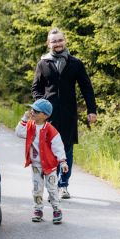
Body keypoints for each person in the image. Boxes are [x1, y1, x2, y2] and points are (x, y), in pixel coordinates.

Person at [31, 27, 97, 199]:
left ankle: (63, 185)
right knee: (50, 149)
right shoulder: (43, 63)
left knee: (66, 148)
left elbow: (86, 87)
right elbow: (36, 88)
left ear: (65, 41)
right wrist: (42, 105)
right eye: (54, 41)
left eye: (60, 40)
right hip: (48, 115)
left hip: (68, 113)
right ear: (49, 44)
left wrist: (92, 110)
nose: (57, 44)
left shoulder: (75, 63)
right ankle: (52, 182)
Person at [15, 99, 68, 224]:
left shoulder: (50, 130)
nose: (32, 112)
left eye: (36, 111)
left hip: (50, 166)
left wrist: (63, 162)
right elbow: (19, 133)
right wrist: (24, 119)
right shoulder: (29, 126)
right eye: (32, 109)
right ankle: (38, 210)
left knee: (52, 188)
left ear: (45, 115)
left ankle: (56, 210)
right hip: (36, 165)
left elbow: (58, 146)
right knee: (37, 189)